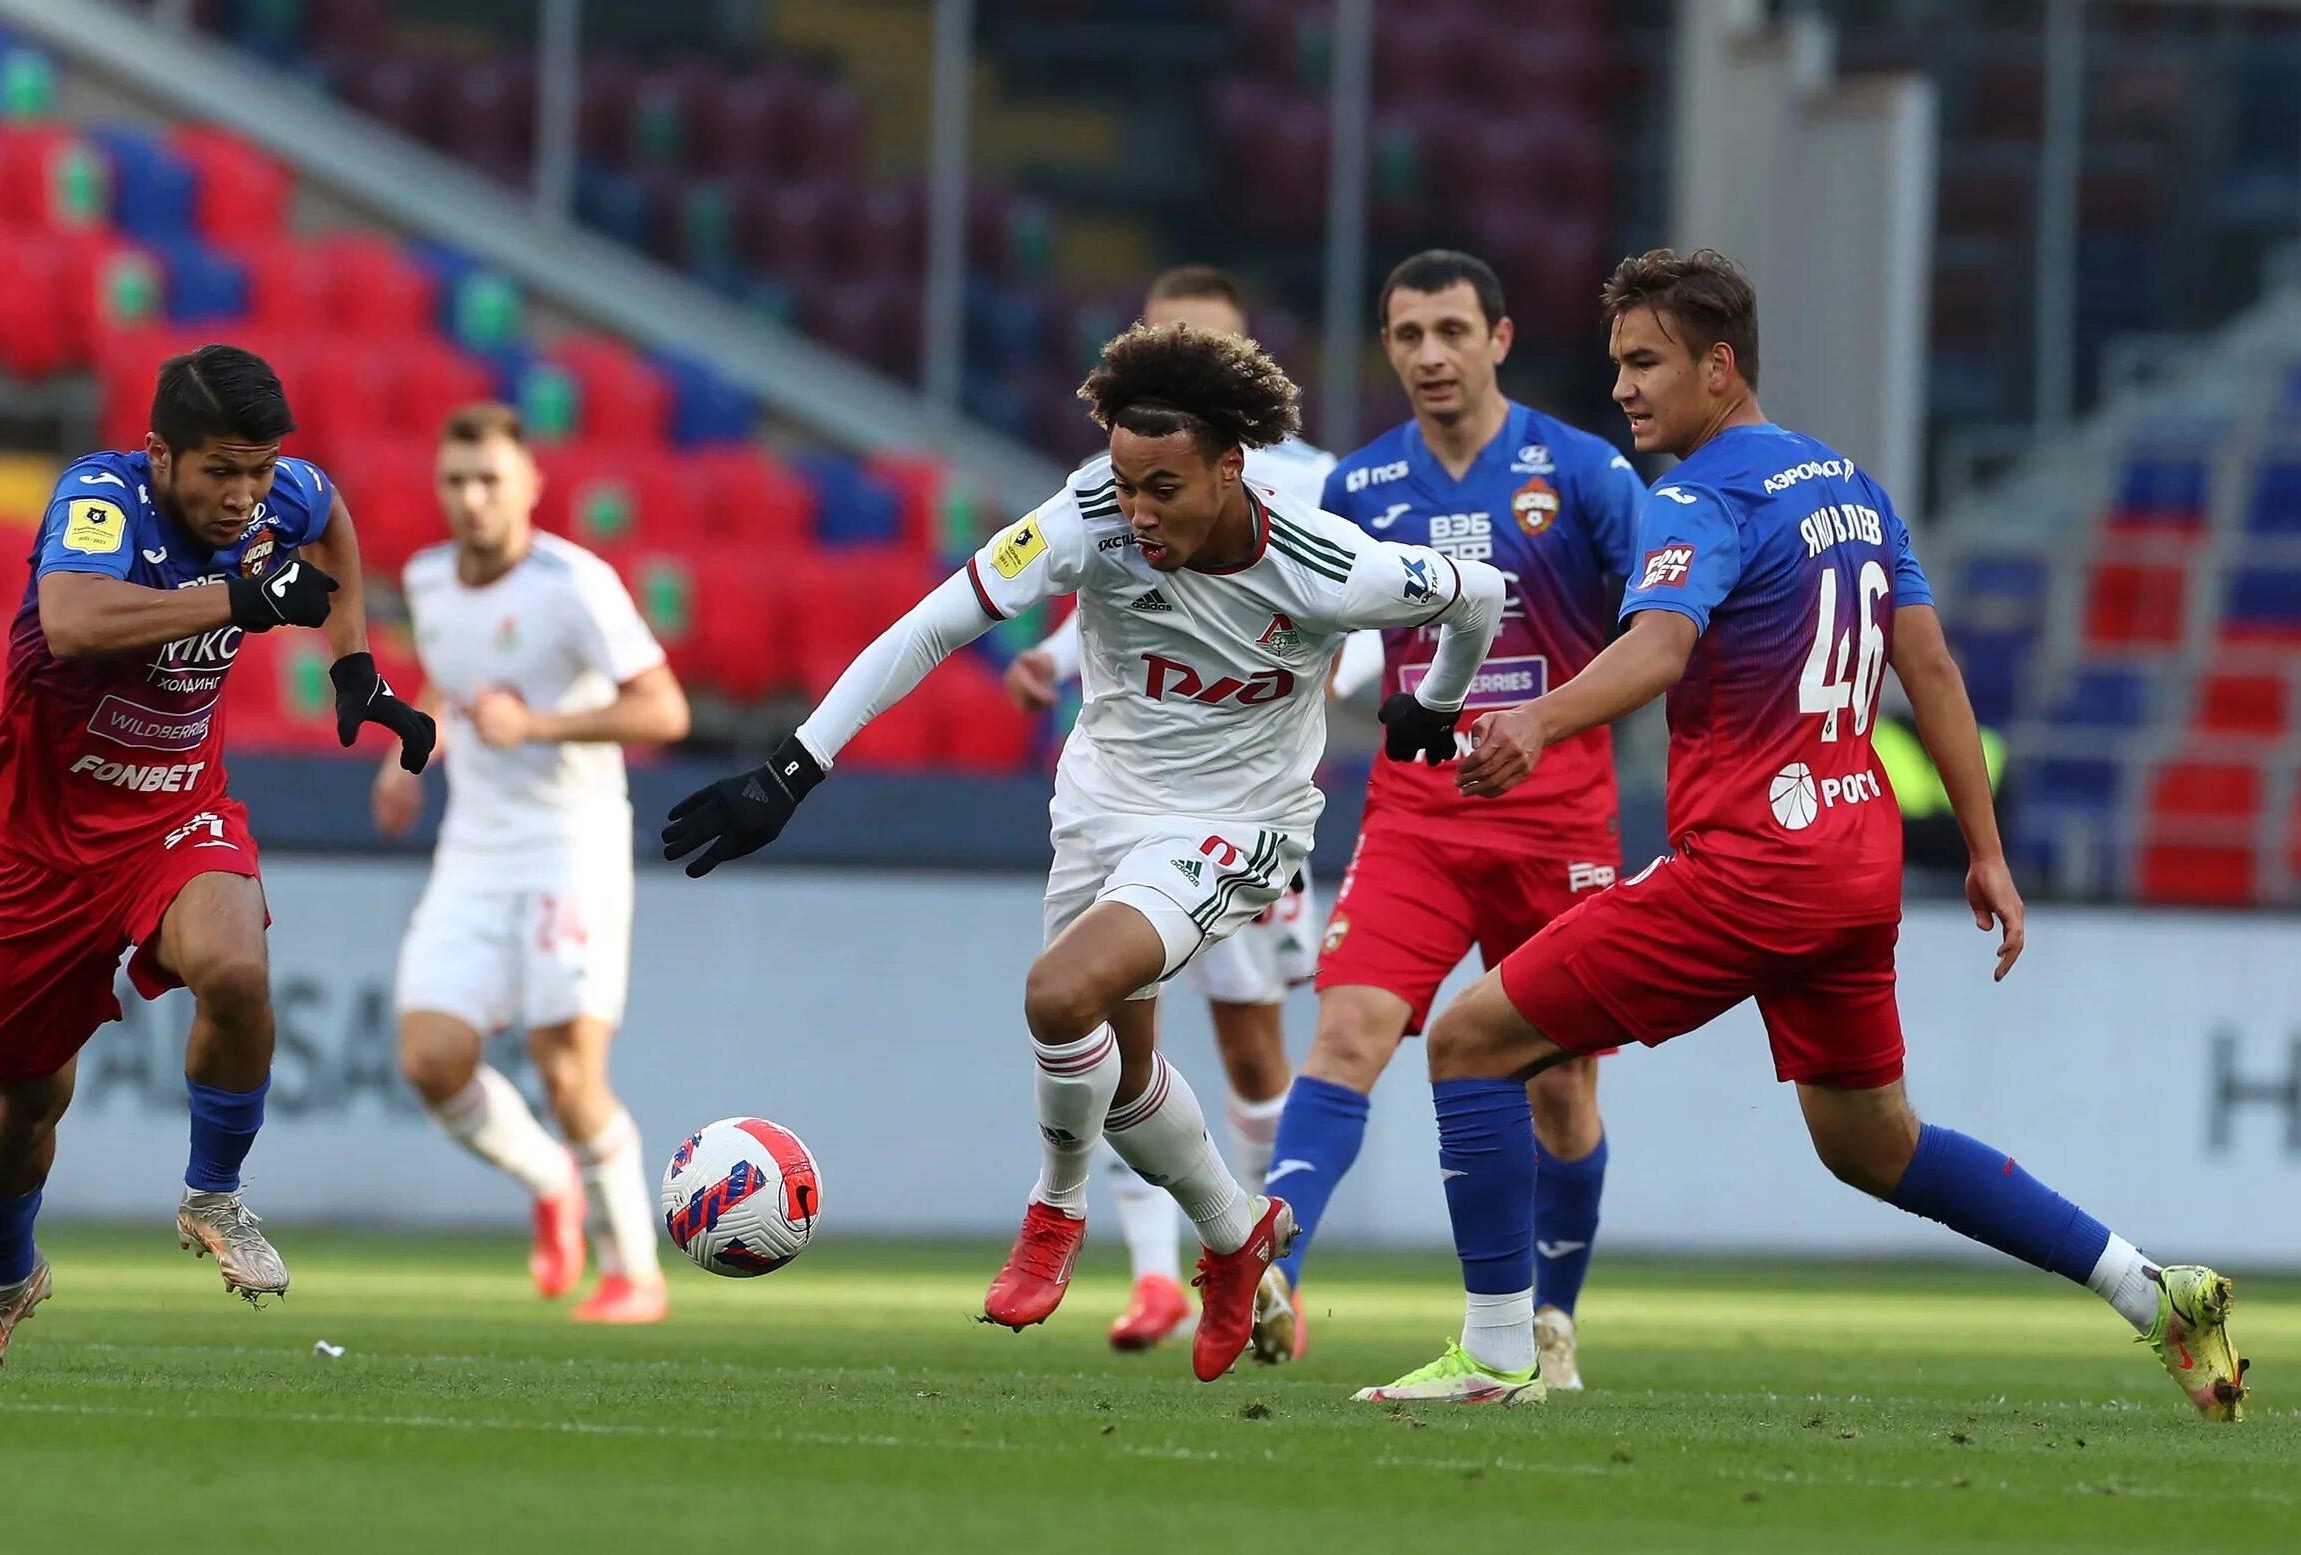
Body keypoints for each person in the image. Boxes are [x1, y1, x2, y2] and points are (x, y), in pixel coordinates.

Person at [1355, 249, 2246, 1419]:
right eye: (1618, 362)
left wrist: (1535, 717)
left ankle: (1493, 1352)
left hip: (1750, 871)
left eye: (1645, 362)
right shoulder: (1850, 485)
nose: (1623, 387)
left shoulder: (1700, 495)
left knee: (1469, 1039)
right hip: (1852, 858)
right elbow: (1925, 665)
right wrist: (1983, 848)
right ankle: (2152, 1291)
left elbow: (1658, 648)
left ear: (1718, 368)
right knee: (1871, 1143)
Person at [662, 322, 1507, 1381]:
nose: (1139, 511)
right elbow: (933, 624)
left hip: (1236, 823)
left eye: (1165, 486)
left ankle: (1053, 1211)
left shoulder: (1332, 570)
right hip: (1101, 803)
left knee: (1059, 996)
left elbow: (1480, 597)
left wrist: (1433, 703)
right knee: (1125, 1071)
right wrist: (791, 769)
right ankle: (1238, 1234)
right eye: (1125, 481)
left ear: (1232, 467)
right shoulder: (1088, 517)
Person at [0, 344, 437, 1368]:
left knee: (238, 970)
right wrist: (238, 602)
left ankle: (214, 1191)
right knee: (23, 1102)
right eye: (221, 470)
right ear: (161, 453)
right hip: (45, 848)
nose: (244, 494)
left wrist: (355, 666)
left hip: (176, 812)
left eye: (258, 469)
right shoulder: (101, 499)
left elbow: (329, 510)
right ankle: (3, 1278)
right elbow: (73, 622)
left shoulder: (273, 498)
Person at [1250, 250, 1644, 1384]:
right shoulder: (1358, 491)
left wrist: (1560, 724)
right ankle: (1270, 1266)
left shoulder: (1582, 473)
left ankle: (1552, 1318)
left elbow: (1657, 629)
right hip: (1417, 819)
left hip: (1560, 825)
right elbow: (1326, 641)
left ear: (1499, 339)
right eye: (1407, 334)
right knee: (1345, 1036)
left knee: (1561, 1084)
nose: (1429, 354)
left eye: (1450, 331)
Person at [1002, 264, 1333, 1353]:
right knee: (1112, 1036)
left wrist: (1360, 683)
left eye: (1209, 343)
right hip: (1130, 787)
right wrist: (1051, 657)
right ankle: (1171, 1268)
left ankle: (1268, 1253)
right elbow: (1113, 588)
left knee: (1245, 1050)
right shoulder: (1116, 484)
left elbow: (1362, 607)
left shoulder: (1314, 491)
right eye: (1167, 337)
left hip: (1243, 799)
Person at [375, 403, 692, 1323]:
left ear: (528, 486)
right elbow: (445, 676)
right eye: (456, 481)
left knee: (566, 1068)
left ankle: (634, 1269)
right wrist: (407, 757)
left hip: (571, 841)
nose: (472, 498)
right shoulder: (428, 579)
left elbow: (664, 710)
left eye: (490, 480)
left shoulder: (575, 584)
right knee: (430, 1058)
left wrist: (541, 723)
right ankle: (550, 1177)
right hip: (473, 845)